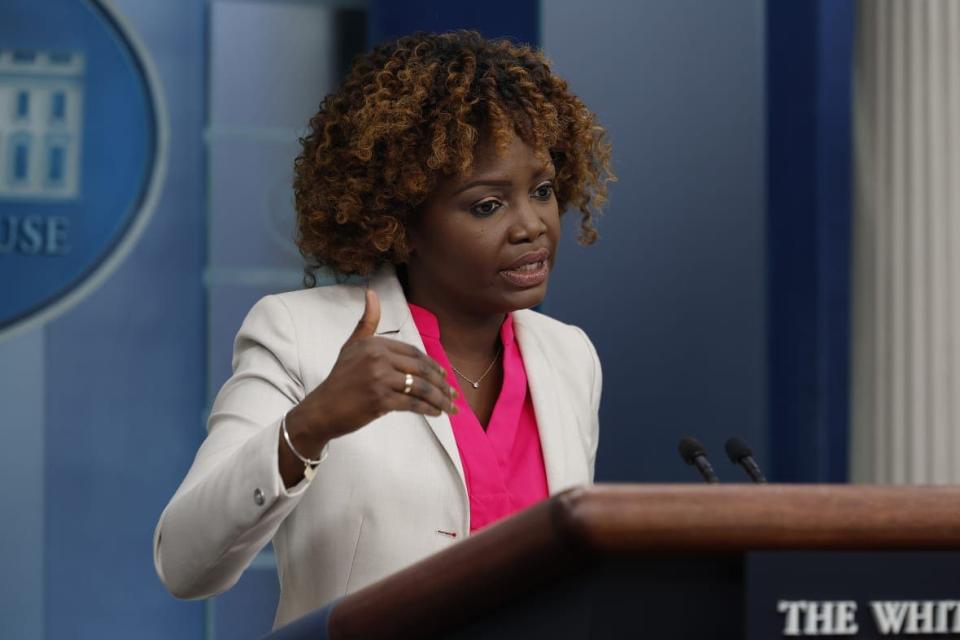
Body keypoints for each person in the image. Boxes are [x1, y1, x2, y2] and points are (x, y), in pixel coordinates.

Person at [153, 29, 614, 628]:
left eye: (544, 192)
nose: (532, 225)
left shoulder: (569, 357)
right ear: (402, 224)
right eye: (487, 205)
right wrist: (312, 423)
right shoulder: (300, 334)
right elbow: (185, 563)